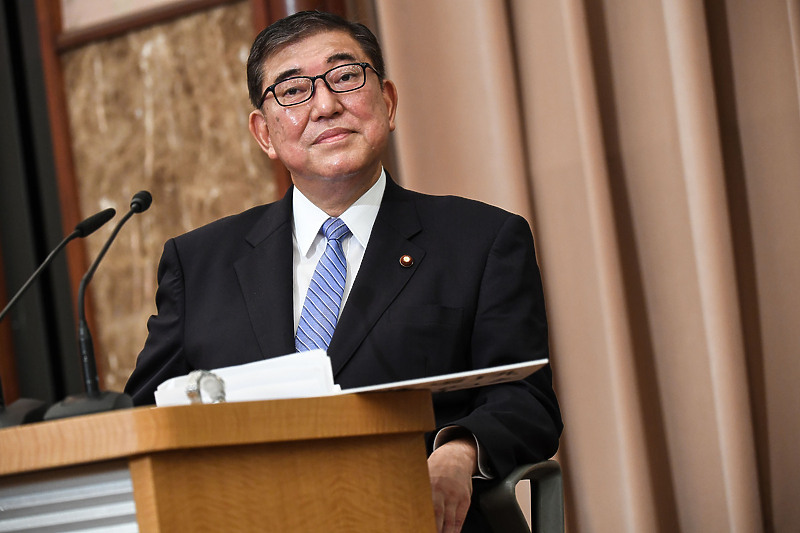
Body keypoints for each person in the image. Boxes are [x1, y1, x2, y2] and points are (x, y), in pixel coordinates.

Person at [124, 10, 562, 533]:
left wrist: (459, 451)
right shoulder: (199, 265)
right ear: (264, 133)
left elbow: (526, 398)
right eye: (293, 90)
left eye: (345, 77)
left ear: (389, 101)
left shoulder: (481, 240)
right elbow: (145, 416)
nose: (326, 105)